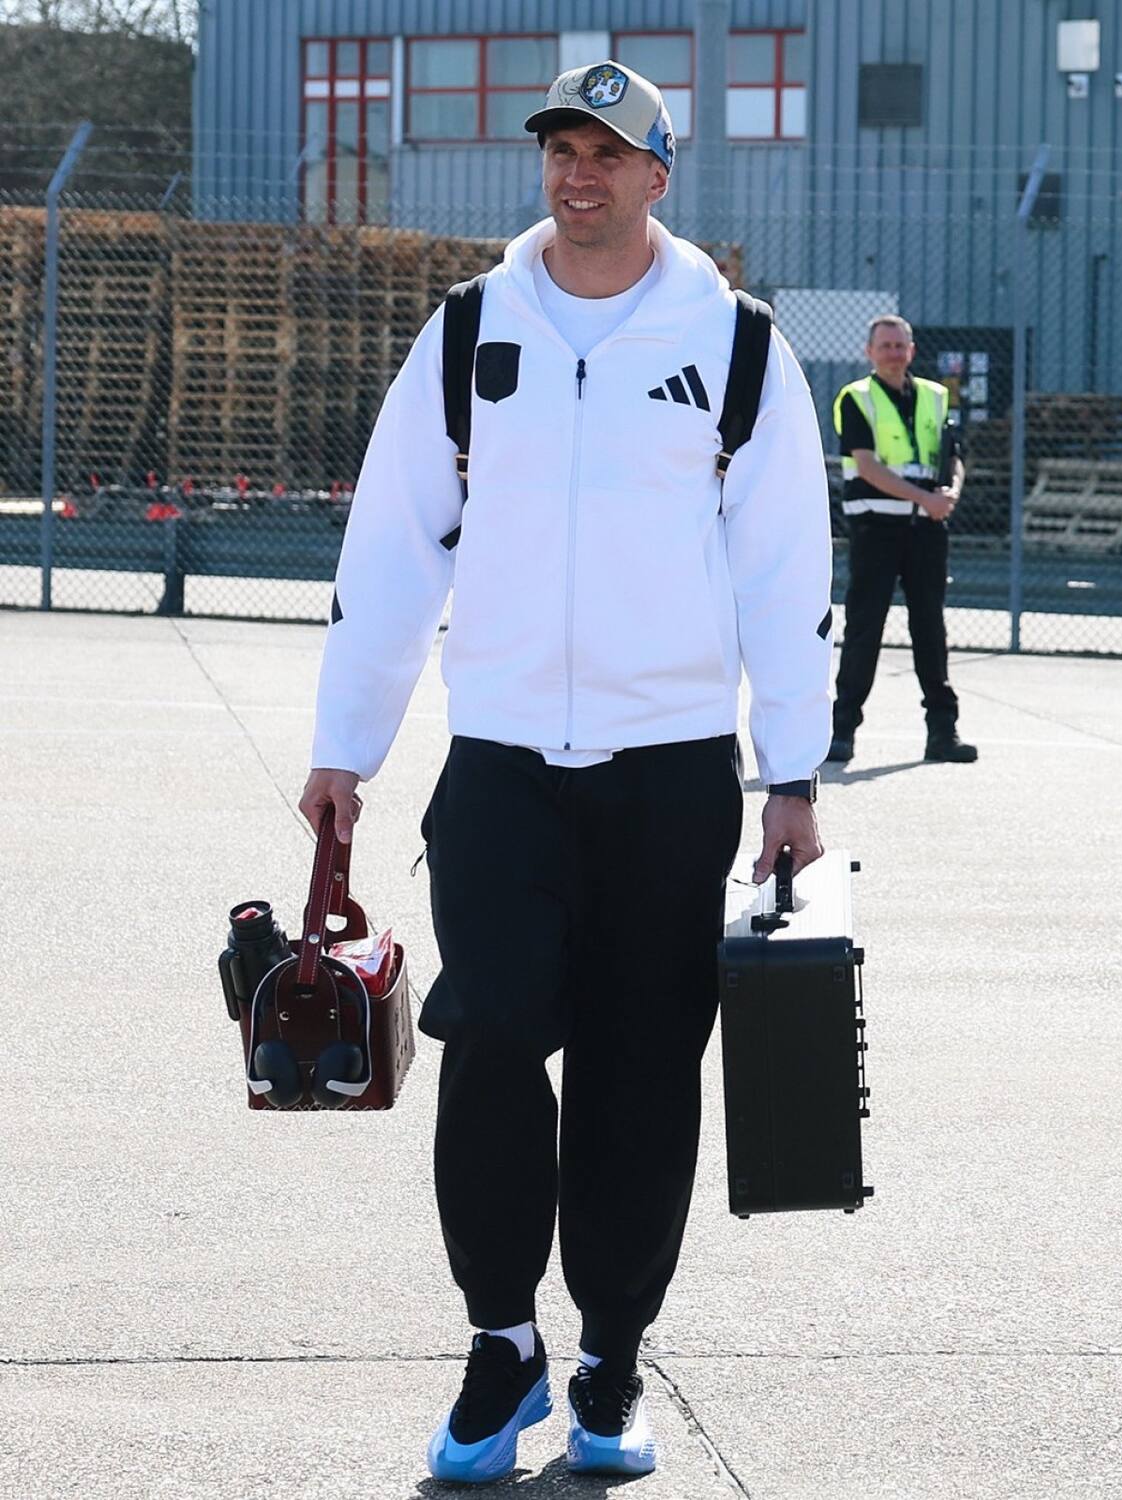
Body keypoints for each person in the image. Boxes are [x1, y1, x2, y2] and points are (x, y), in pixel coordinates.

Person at [299, 59, 832, 1485]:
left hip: (668, 777)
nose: (576, 173)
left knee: (643, 1073)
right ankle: (501, 1348)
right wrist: (343, 747)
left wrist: (794, 768)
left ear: (662, 174)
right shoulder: (473, 331)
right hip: (504, 769)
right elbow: (393, 545)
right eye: (560, 150)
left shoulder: (734, 346)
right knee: (486, 1048)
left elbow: (786, 567)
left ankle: (608, 1359)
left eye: (607, 152)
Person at [828, 314, 977, 764]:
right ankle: (841, 732)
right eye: (885, 345)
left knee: (930, 629)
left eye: (900, 345)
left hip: (926, 531)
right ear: (869, 352)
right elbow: (868, 467)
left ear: (911, 351)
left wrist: (951, 492)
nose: (893, 353)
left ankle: (942, 733)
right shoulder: (856, 399)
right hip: (876, 529)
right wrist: (923, 498)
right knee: (864, 629)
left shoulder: (935, 397)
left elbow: (953, 457)